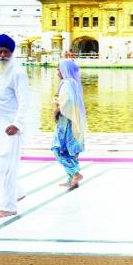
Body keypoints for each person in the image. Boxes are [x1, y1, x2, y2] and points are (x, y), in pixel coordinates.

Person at [0, 34, 29, 218]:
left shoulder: (18, 72)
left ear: (12, 53)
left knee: (6, 167)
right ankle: (15, 192)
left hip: (9, 128)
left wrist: (17, 124)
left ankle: (8, 206)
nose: (2, 55)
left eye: (6, 52)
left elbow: (25, 101)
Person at [51, 59, 87, 190]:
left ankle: (76, 174)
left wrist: (57, 110)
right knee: (70, 150)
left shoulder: (66, 83)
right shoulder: (74, 83)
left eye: (58, 69)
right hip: (73, 120)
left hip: (65, 121)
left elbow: (66, 101)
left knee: (57, 149)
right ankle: (72, 179)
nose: (57, 72)